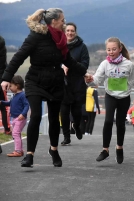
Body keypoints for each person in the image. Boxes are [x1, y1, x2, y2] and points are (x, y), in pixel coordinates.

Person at [1, 8, 91, 168]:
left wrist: (84, 73)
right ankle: (29, 155)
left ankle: (54, 149)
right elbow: (19, 56)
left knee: (53, 119)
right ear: (54, 21)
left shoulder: (62, 39)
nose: (64, 22)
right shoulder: (36, 36)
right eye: (62, 19)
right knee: (35, 116)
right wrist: (6, 78)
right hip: (35, 80)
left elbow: (69, 61)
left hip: (55, 81)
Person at [86, 37, 134, 164]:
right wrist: (89, 80)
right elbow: (96, 80)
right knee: (108, 121)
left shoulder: (128, 65)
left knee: (120, 123)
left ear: (120, 49)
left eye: (114, 49)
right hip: (110, 96)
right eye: (108, 50)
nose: (111, 52)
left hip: (124, 97)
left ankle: (119, 148)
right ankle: (105, 150)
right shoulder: (104, 64)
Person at [60, 22, 90, 145]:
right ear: (64, 32)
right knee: (64, 112)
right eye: (67, 30)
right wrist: (61, 66)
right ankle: (66, 137)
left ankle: (76, 126)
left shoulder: (82, 47)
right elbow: (53, 61)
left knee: (77, 113)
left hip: (78, 85)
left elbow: (84, 66)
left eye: (72, 31)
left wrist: (70, 66)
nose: (70, 33)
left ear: (75, 32)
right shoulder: (59, 46)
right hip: (64, 84)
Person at [0, 75, 29, 157]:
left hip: (20, 118)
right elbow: (10, 103)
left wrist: (23, 114)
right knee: (17, 134)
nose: (9, 88)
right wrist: (2, 102)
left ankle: (18, 151)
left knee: (15, 133)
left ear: (17, 86)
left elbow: (27, 105)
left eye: (11, 86)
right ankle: (20, 150)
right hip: (15, 118)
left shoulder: (23, 95)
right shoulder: (15, 95)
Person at [0, 35, 11, 135]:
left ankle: (7, 129)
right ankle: (7, 129)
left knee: (3, 107)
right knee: (3, 107)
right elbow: (3, 63)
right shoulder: (1, 41)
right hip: (1, 80)